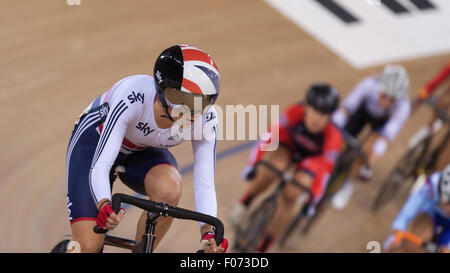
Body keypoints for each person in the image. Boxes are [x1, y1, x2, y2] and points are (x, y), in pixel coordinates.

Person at [66, 44, 228, 253]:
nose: (193, 114)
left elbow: (205, 183)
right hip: (93, 144)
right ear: (164, 91)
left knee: (169, 189)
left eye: (203, 103)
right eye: (184, 102)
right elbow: (102, 164)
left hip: (141, 150)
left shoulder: (207, 120)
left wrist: (208, 232)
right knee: (87, 247)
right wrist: (104, 204)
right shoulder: (132, 96)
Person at [228, 83, 342, 252]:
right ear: (306, 108)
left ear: (330, 117)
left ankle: (264, 245)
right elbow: (268, 136)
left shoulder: (333, 136)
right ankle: (245, 202)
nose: (317, 118)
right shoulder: (294, 112)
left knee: (293, 194)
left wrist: (313, 200)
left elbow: (324, 172)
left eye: (323, 114)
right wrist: (252, 165)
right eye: (315, 110)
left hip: (311, 160)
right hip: (288, 145)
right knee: (272, 168)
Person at [330, 64, 411, 210]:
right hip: (363, 112)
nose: (387, 101)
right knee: (337, 141)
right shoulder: (369, 84)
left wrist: (369, 162)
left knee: (368, 152)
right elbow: (345, 110)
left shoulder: (403, 107)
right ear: (380, 87)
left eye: (392, 99)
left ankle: (348, 184)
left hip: (381, 125)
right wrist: (334, 130)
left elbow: (385, 138)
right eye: (384, 95)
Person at [384, 163, 450, 252]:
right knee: (415, 244)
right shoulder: (434, 183)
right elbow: (411, 207)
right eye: (447, 203)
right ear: (440, 191)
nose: (448, 210)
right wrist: (397, 230)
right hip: (432, 215)